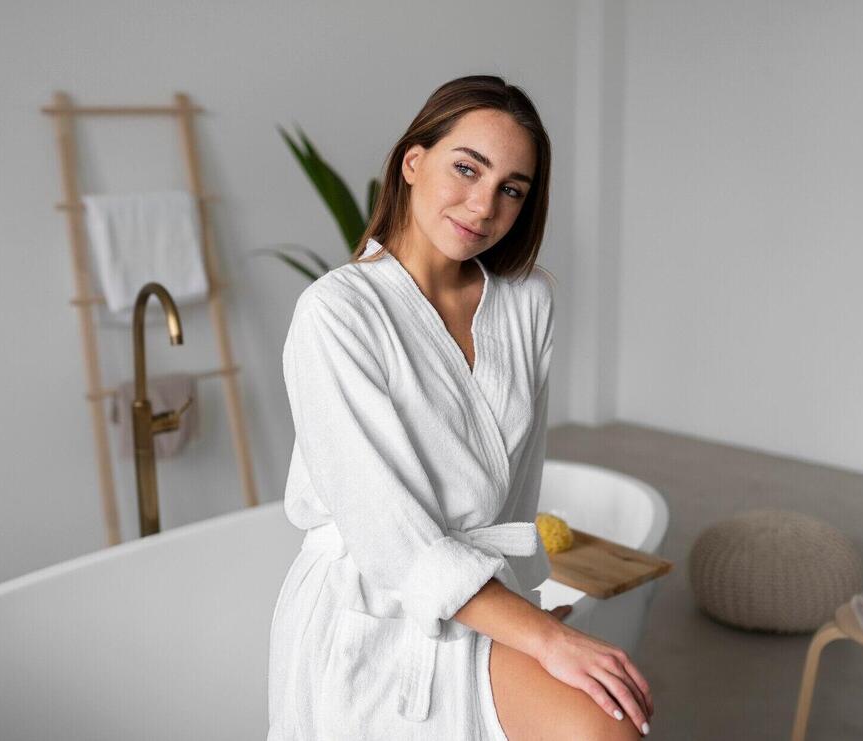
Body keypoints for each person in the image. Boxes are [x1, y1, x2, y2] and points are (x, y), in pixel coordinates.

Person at [267, 74, 654, 740]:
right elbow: (388, 534)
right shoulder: (336, 312)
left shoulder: (526, 300)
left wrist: (528, 618)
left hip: (484, 599)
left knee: (608, 720)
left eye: (511, 189)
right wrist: (541, 639)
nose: (483, 205)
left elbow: (516, 487)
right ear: (412, 162)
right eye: (466, 169)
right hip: (368, 611)